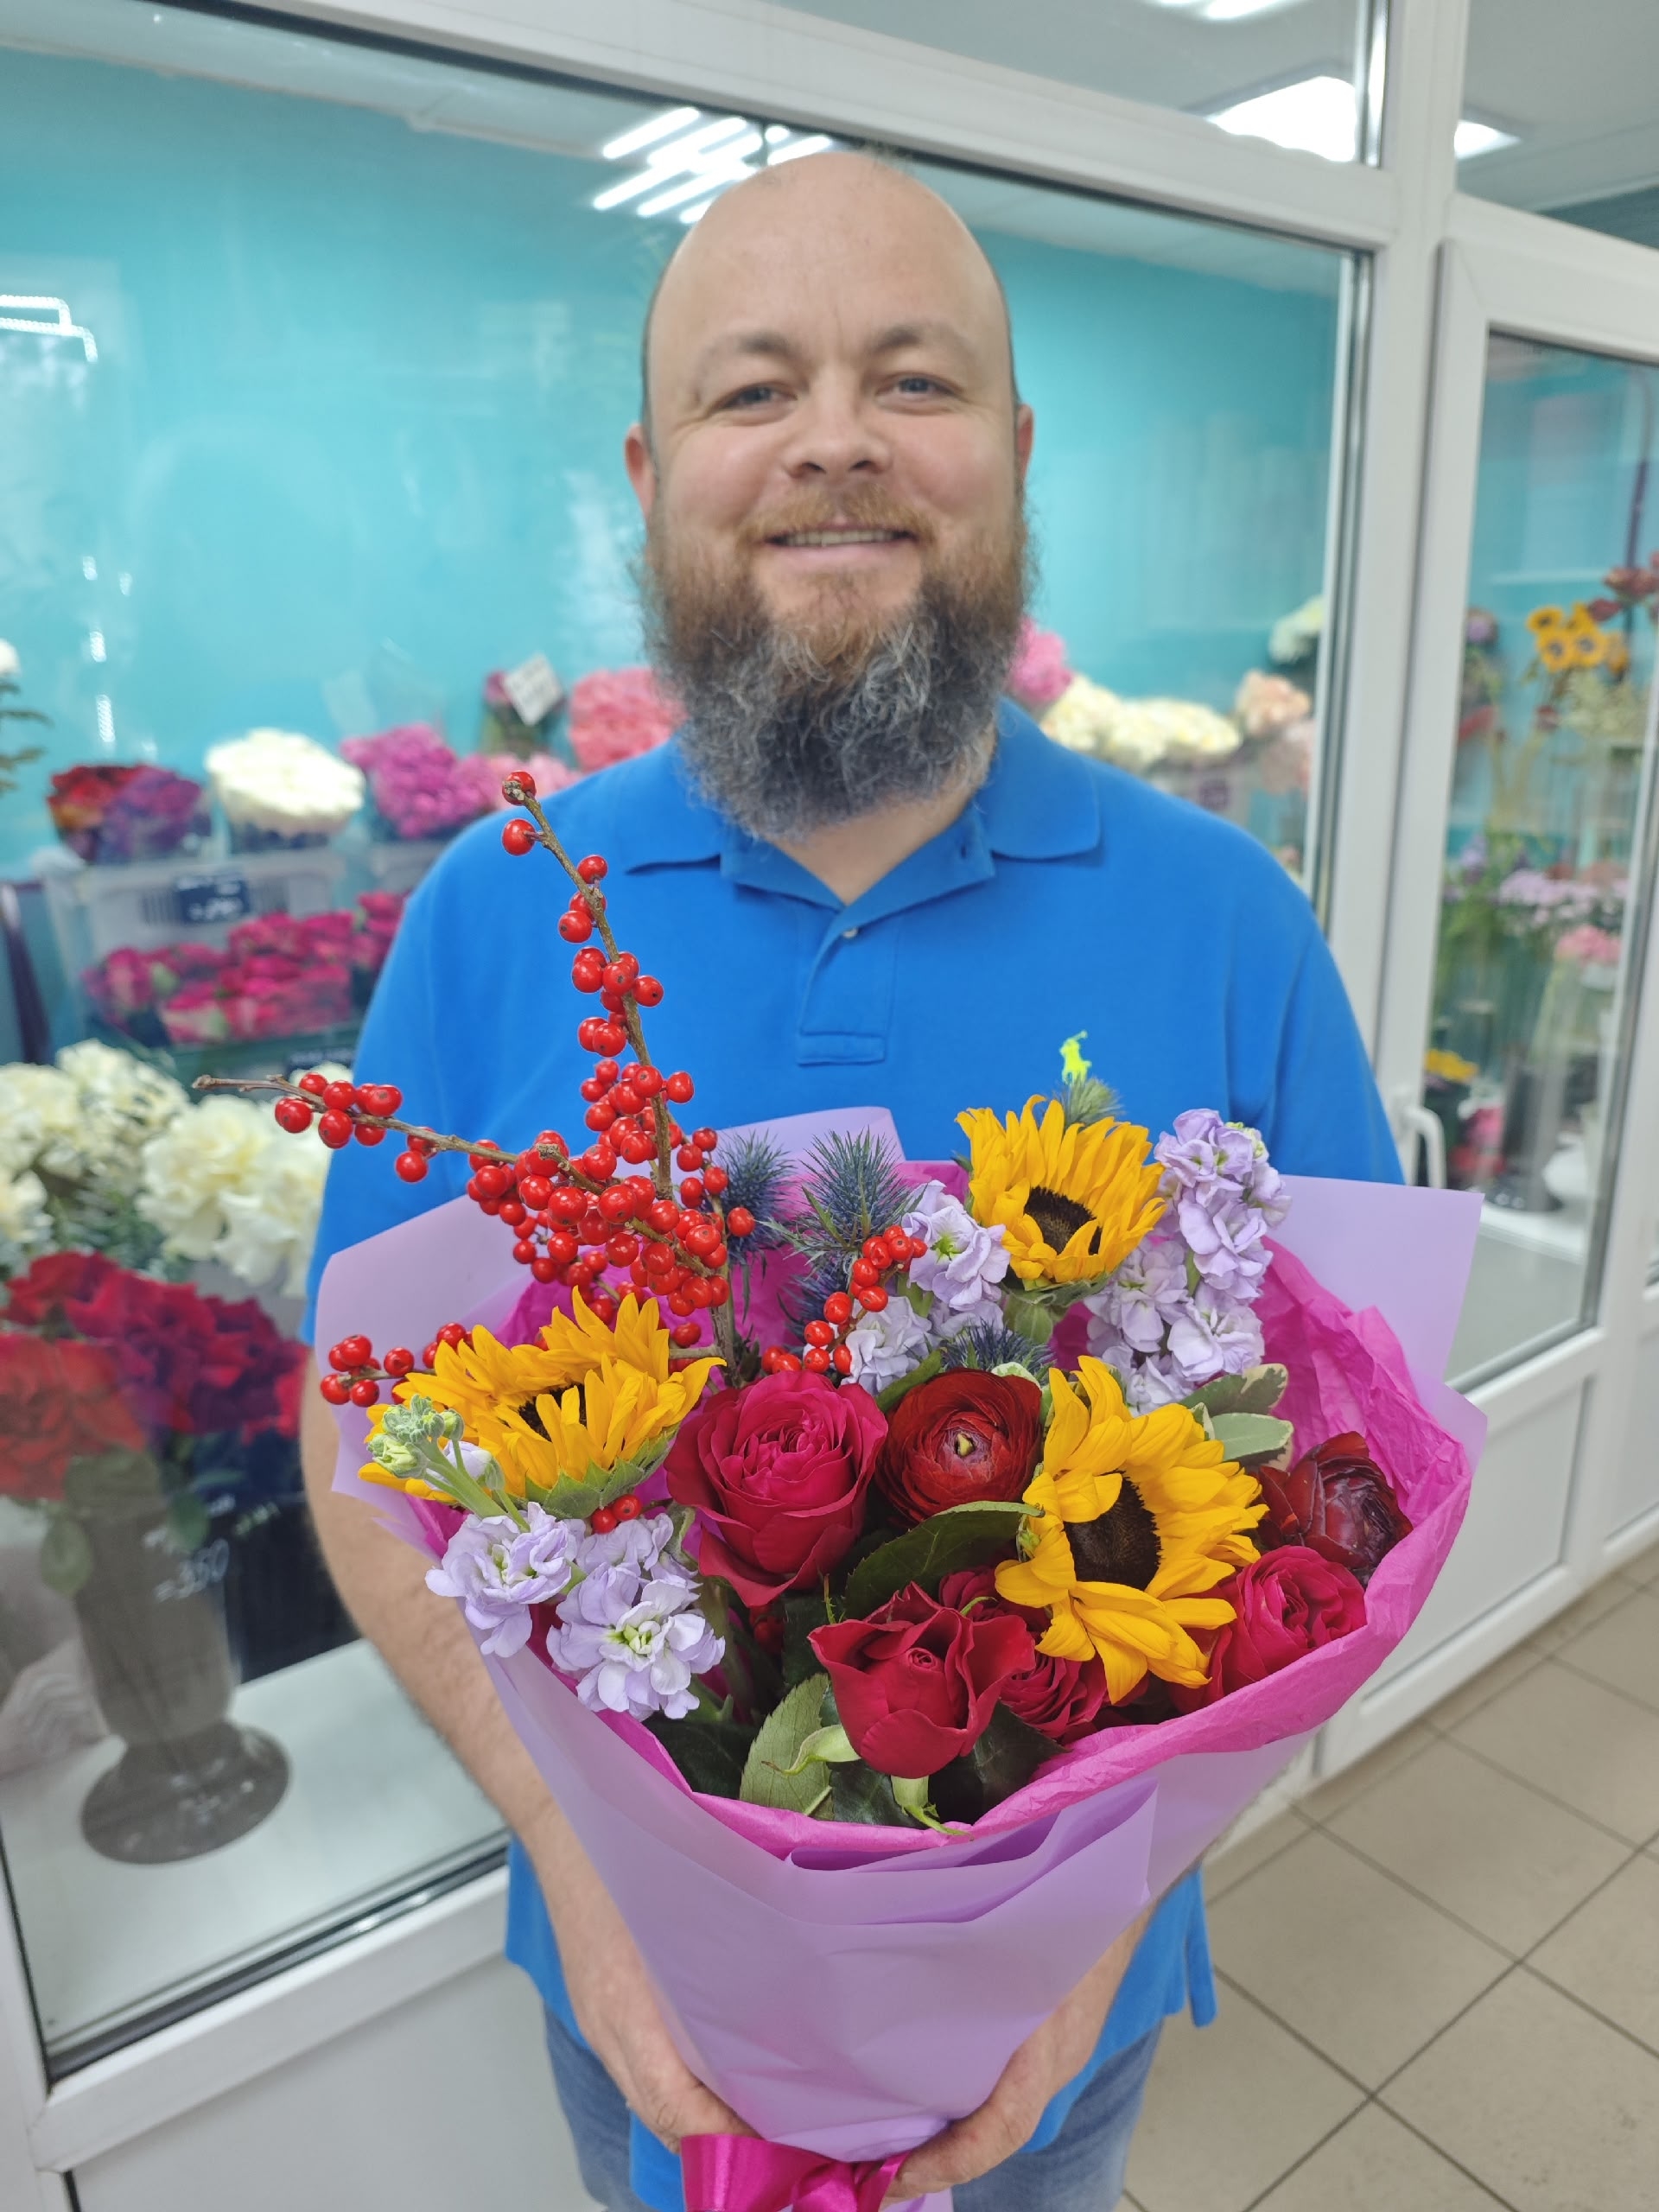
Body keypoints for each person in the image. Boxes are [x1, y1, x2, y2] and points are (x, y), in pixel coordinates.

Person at [302, 150, 1400, 2212]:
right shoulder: (501, 911)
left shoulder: (1226, 920)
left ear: (1014, 452)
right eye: (755, 390)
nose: (834, 444)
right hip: (638, 2009)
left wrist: (1100, 1918)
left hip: (1065, 2028)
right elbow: (365, 1443)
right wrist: (581, 1864)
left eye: (913, 380)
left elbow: (1358, 1499)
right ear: (652, 478)